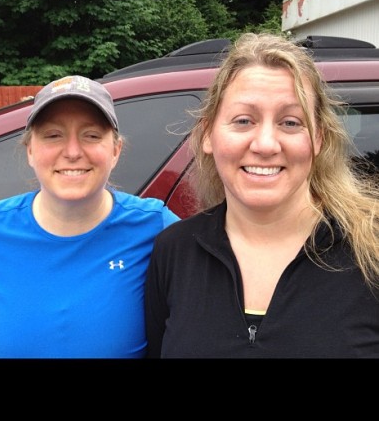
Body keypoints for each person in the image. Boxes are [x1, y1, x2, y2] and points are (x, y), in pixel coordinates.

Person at [144, 32, 379, 358]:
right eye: (243, 120)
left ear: (319, 139)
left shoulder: (371, 251)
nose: (266, 144)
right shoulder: (172, 253)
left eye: (290, 122)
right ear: (207, 135)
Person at [0, 75, 180, 358]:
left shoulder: (155, 227)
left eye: (91, 135)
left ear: (115, 151)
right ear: (30, 151)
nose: (72, 152)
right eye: (53, 135)